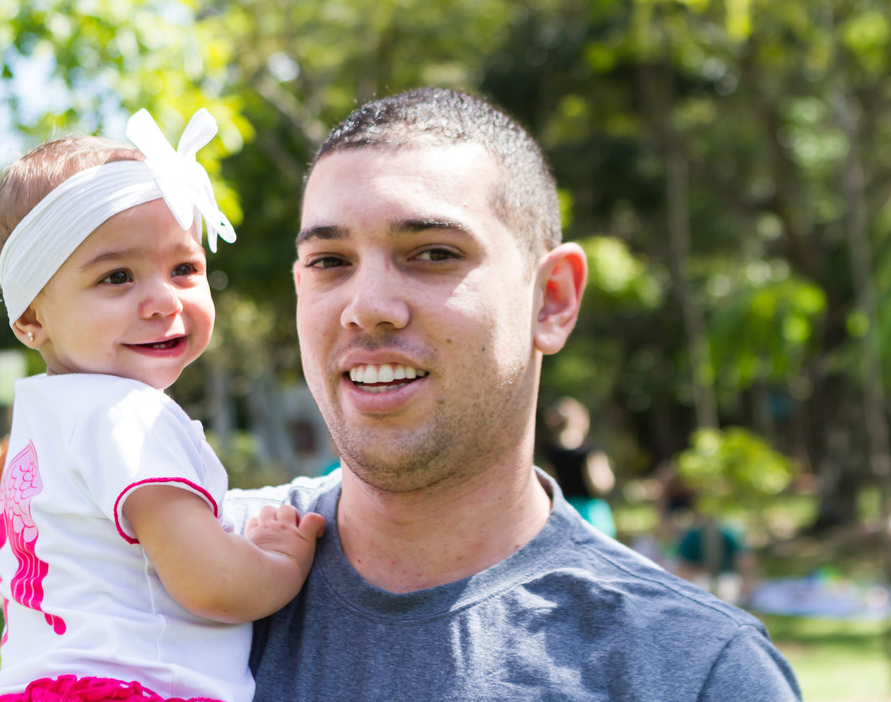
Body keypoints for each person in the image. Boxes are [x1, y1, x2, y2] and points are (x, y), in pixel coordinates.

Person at [224, 88, 802, 700]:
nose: (366, 308)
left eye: (434, 253)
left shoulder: (697, 673)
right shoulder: (179, 569)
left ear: (551, 300)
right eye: (329, 261)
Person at [0, 109, 325, 702]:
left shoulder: (43, 418)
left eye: (185, 268)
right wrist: (280, 562)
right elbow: (212, 581)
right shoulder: (128, 415)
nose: (164, 299)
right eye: (117, 277)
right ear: (32, 316)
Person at [542, 395, 617, 537]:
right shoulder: (590, 450)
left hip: (565, 511)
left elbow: (549, 486)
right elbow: (601, 484)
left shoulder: (551, 453)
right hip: (592, 512)